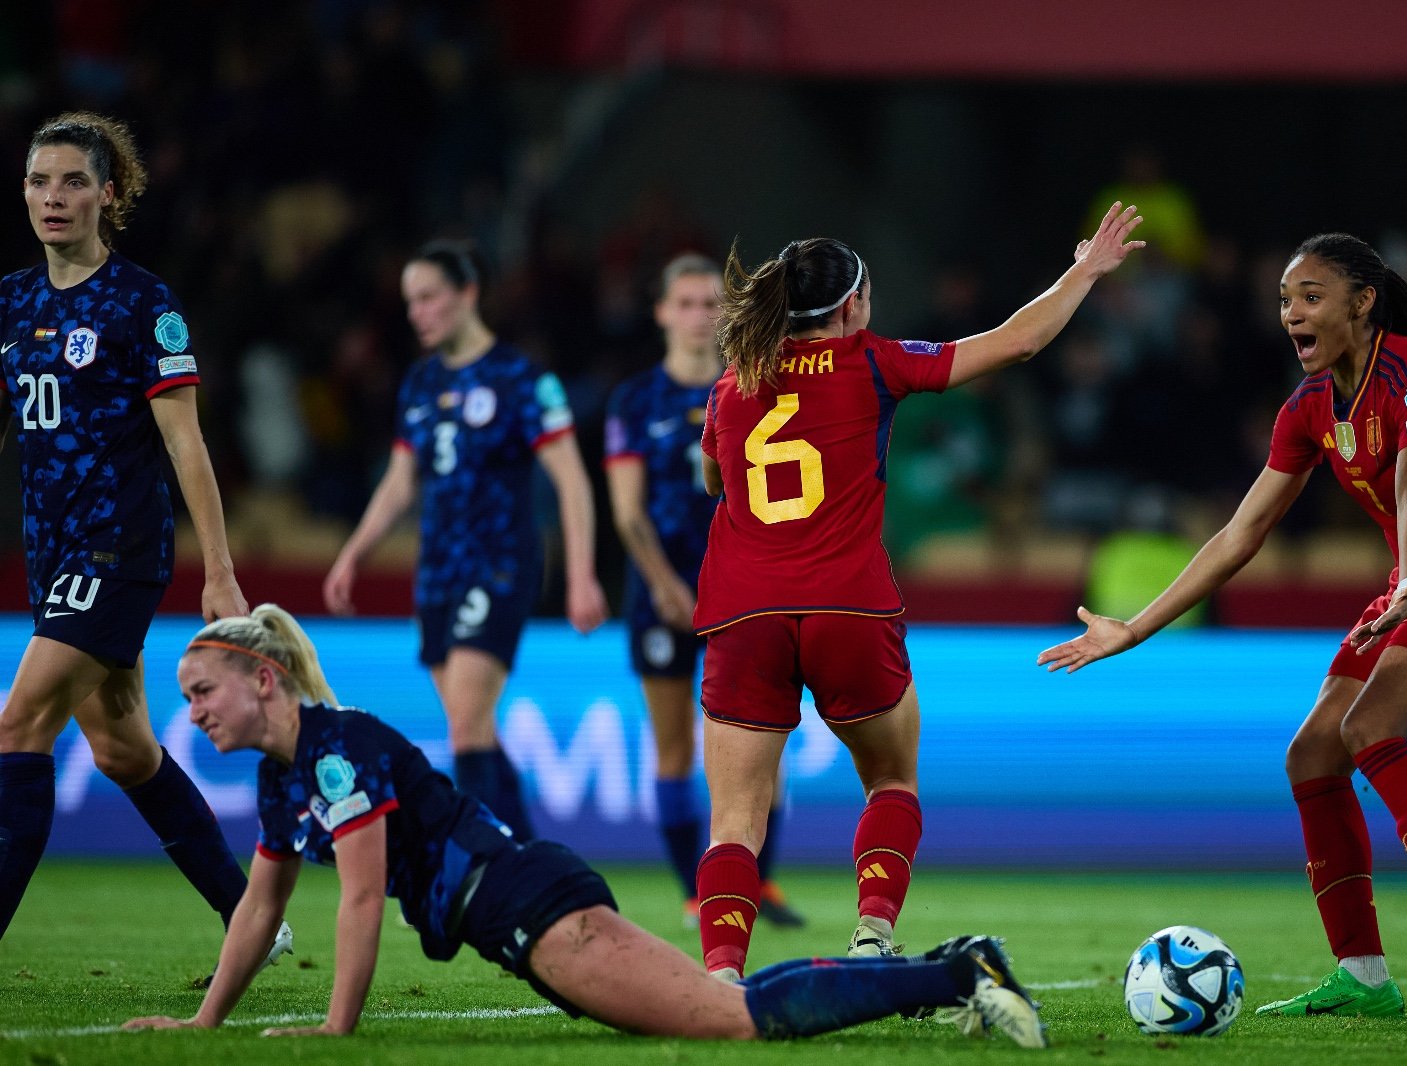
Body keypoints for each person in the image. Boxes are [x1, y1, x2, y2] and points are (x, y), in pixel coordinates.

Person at [121, 605, 1046, 1048]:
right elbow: (256, 909)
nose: (194, 713)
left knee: (734, 1022)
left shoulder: (333, 752)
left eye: (202, 691)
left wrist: (335, 1030)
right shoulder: (292, 780)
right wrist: (204, 1023)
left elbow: (361, 900)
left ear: (263, 679)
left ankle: (959, 970)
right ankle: (949, 970)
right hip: (525, 916)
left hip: (533, 908)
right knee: (722, 1011)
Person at [1038, 232, 1407, 1021]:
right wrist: (1134, 629)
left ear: (1362, 301)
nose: (1291, 314)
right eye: (1284, 300)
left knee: (1371, 726)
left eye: (1310, 296)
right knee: (1312, 754)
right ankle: (1364, 977)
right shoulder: (1311, 407)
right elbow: (1240, 534)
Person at [692, 204, 1144, 979]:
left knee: (735, 821)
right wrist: (1086, 271)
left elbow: (714, 479)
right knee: (892, 778)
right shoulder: (873, 360)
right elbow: (1020, 341)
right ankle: (872, 934)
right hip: (847, 605)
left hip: (744, 612)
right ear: (853, 306)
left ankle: (721, 976)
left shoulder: (733, 386)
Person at [0, 112, 291, 968]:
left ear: (108, 194)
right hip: (52, 554)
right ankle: (253, 921)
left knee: (19, 726)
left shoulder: (143, 303)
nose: (54, 198)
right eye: (39, 181)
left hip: (117, 548)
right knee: (125, 751)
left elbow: (185, 444)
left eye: (73, 182)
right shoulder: (11, 301)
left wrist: (221, 574)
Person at [323, 240, 608, 840]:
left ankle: (475, 865)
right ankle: (530, 858)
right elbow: (401, 482)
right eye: (410, 302)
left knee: (467, 725)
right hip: (438, 573)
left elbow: (572, 482)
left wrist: (582, 575)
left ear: (467, 294)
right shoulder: (421, 382)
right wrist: (353, 555)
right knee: (470, 724)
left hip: (499, 565)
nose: (417, 313)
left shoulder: (521, 378)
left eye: (428, 297)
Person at [604, 253, 803, 930]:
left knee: (761, 743)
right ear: (662, 312)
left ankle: (760, 884)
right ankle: (695, 891)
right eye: (684, 302)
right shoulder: (635, 401)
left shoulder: (755, 387)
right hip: (664, 596)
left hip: (745, 593)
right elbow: (628, 512)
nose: (698, 316)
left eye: (710, 303)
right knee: (676, 750)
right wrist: (664, 586)